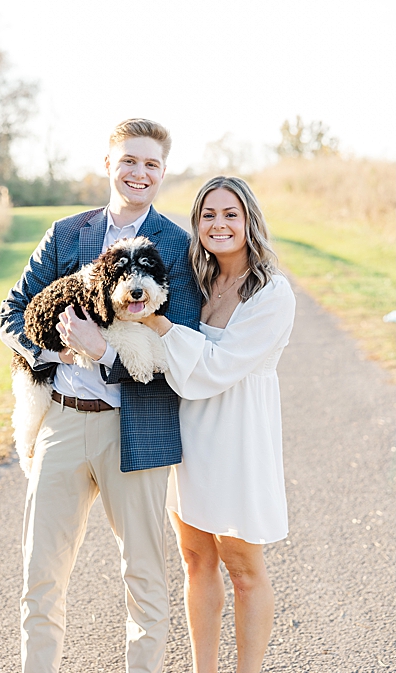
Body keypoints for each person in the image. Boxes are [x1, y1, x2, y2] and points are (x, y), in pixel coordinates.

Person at [0, 118, 202, 673]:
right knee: (40, 577)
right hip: (63, 423)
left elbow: (184, 355)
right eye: (129, 160)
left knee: (145, 578)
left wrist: (107, 352)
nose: (139, 172)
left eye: (151, 164)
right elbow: (10, 313)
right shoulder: (67, 234)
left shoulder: (179, 248)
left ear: (163, 171)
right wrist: (64, 352)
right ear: (108, 164)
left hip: (135, 430)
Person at [137, 176, 295, 673]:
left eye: (230, 214)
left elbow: (216, 368)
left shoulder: (271, 293)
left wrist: (158, 324)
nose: (219, 224)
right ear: (197, 224)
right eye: (208, 215)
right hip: (189, 436)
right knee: (195, 560)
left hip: (238, 438)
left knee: (245, 570)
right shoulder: (195, 283)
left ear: (250, 220)